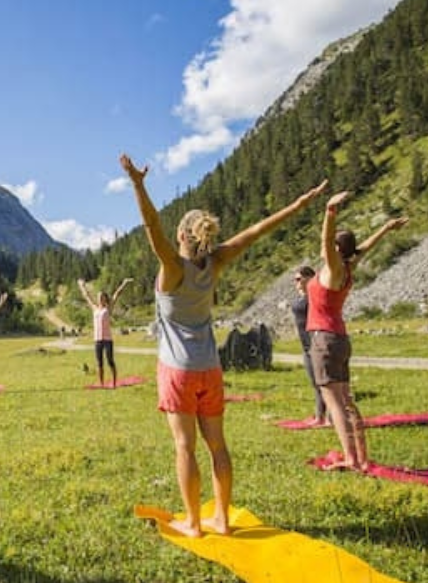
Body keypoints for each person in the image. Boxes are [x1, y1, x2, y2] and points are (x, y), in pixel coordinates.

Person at [121, 153, 326, 537]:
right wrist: (298, 205)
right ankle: (223, 521)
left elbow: (151, 227)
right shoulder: (214, 264)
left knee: (185, 447)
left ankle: (194, 524)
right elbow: (256, 231)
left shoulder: (172, 267)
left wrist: (137, 184)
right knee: (217, 446)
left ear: (182, 236)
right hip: (211, 369)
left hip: (177, 370)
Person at [307, 192, 407, 472]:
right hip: (340, 339)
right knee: (346, 399)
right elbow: (365, 247)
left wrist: (330, 211)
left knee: (333, 401)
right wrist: (386, 228)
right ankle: (360, 456)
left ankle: (351, 459)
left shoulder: (334, 267)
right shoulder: (349, 266)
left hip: (324, 339)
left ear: (338, 249)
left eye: (333, 244)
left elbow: (325, 241)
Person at [77, 277, 132, 387]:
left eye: (102, 297)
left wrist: (124, 283)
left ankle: (114, 382)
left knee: (110, 361)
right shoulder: (94, 308)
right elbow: (86, 296)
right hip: (97, 340)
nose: (99, 299)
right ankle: (101, 384)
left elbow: (117, 294)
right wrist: (82, 285)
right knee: (99, 363)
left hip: (107, 340)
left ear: (105, 299)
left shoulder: (108, 308)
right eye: (98, 297)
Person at [290, 265, 326, 426]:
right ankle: (320, 416)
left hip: (316, 343)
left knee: (323, 383)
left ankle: (325, 417)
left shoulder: (314, 296)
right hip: (306, 345)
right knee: (315, 383)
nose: (296, 283)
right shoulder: (303, 297)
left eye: (299, 279)